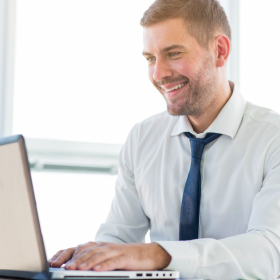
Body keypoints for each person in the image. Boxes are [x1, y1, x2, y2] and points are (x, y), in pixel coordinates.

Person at [48, 0, 280, 279]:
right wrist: (90, 258)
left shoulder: (273, 139)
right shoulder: (142, 139)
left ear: (220, 51)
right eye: (150, 58)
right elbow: (119, 237)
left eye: (173, 53)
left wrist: (158, 254)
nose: (158, 74)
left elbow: (269, 250)